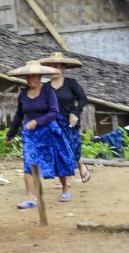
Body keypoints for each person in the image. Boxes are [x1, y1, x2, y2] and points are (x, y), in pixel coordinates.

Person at [5, 60, 76, 208]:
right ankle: (31, 198)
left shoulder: (48, 91)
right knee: (29, 162)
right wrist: (10, 133)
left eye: (35, 76)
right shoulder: (23, 94)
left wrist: (37, 121)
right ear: (25, 78)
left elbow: (54, 112)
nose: (32, 79)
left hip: (49, 130)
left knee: (58, 160)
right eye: (29, 77)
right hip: (30, 134)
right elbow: (19, 115)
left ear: (40, 77)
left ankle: (65, 188)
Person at [38, 52, 90, 188]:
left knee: (72, 146)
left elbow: (83, 99)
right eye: (51, 66)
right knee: (60, 150)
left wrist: (75, 113)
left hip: (69, 121)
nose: (54, 69)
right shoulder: (46, 87)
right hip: (54, 123)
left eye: (57, 66)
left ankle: (80, 165)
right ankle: (64, 182)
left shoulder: (71, 84)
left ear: (63, 69)